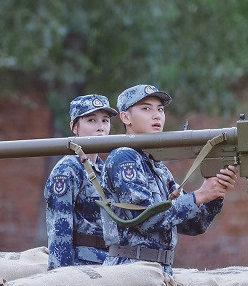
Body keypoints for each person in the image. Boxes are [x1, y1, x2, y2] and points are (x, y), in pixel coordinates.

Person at [100, 84, 238, 273]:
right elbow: (144, 220)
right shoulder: (124, 157)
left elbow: (193, 225)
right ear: (125, 117)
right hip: (131, 271)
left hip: (160, 270)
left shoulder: (156, 166)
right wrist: (199, 195)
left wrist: (214, 193)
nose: (157, 115)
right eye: (146, 108)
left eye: (160, 109)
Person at [44, 93, 118, 269]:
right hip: (80, 265)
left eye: (105, 121)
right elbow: (60, 231)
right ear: (74, 127)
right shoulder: (68, 169)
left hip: (110, 262)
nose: (100, 127)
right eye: (91, 120)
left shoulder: (106, 169)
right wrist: (59, 278)